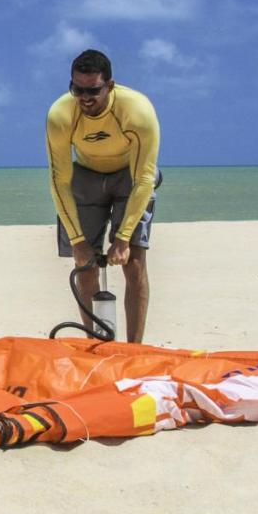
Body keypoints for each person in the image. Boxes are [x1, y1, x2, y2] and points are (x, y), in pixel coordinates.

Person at [46, 49, 161, 343]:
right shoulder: (60, 114)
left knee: (133, 260)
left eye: (93, 90)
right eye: (77, 89)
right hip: (85, 175)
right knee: (84, 265)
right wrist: (78, 242)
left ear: (110, 85)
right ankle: (95, 344)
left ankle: (135, 349)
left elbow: (145, 178)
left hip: (129, 175)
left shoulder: (137, 110)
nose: (84, 97)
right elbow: (59, 180)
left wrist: (122, 238)